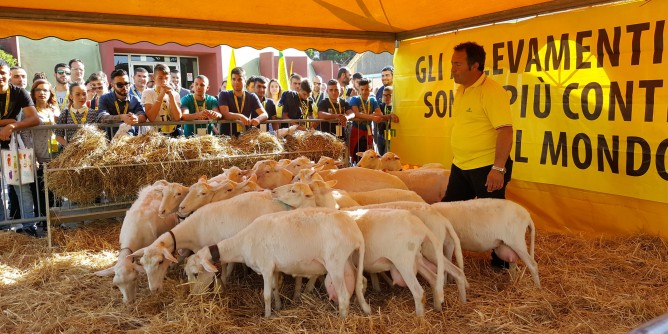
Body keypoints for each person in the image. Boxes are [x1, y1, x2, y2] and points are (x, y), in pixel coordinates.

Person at [441, 42, 514, 269]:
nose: (452, 69)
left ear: (475, 66)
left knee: (493, 217)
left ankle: (502, 264)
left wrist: (498, 168)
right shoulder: (461, 89)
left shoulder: (491, 91)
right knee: (446, 210)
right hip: (461, 165)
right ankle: (443, 255)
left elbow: (505, 130)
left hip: (487, 167)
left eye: (457, 64)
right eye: (452, 63)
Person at [0, 60, 41, 234]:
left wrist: (12, 126)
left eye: (2, 72)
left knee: (21, 185)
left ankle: (29, 226)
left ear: (9, 74)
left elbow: (35, 118)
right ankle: (2, 227)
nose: (0, 76)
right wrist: (7, 121)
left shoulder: (19, 92)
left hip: (13, 144)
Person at [25, 79, 60, 230]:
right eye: (38, 90)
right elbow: (25, 135)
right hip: (38, 156)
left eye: (45, 90)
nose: (42, 93)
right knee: (39, 190)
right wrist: (32, 156)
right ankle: (43, 220)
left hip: (53, 154)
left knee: (54, 189)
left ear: (50, 93)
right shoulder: (28, 111)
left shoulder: (54, 110)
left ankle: (55, 221)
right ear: (33, 93)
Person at [217, 67, 267, 136]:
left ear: (245, 81)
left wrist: (258, 119)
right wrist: (240, 116)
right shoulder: (224, 94)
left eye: (239, 79)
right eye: (234, 79)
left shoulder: (252, 96)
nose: (236, 82)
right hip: (227, 137)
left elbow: (264, 114)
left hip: (245, 138)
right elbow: (225, 114)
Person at [97, 69, 147, 137]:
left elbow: (143, 115)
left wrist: (136, 118)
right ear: (112, 85)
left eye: (127, 84)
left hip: (130, 141)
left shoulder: (135, 99)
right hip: (110, 141)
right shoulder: (105, 98)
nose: (125, 87)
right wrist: (121, 117)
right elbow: (102, 117)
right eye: (120, 85)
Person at [142, 64, 183, 137]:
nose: (164, 81)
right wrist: (161, 95)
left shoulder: (175, 94)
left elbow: (178, 117)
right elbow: (151, 118)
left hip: (173, 134)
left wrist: (171, 96)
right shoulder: (148, 93)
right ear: (154, 78)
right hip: (155, 136)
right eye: (160, 78)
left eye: (166, 78)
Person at [348, 78, 382, 162]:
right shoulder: (354, 99)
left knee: (369, 155)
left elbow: (379, 113)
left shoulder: (372, 100)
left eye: (366, 89)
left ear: (370, 89)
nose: (364, 92)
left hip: (368, 131)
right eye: (362, 89)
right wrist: (372, 117)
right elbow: (356, 114)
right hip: (357, 131)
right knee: (357, 156)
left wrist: (364, 116)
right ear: (358, 89)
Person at [375, 85, 399, 155]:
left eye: (388, 95)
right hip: (381, 134)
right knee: (381, 156)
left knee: (389, 156)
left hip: (392, 135)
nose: (386, 97)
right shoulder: (381, 105)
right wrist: (390, 116)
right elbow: (378, 116)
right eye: (384, 95)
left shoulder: (396, 107)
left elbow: (382, 116)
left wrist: (385, 117)